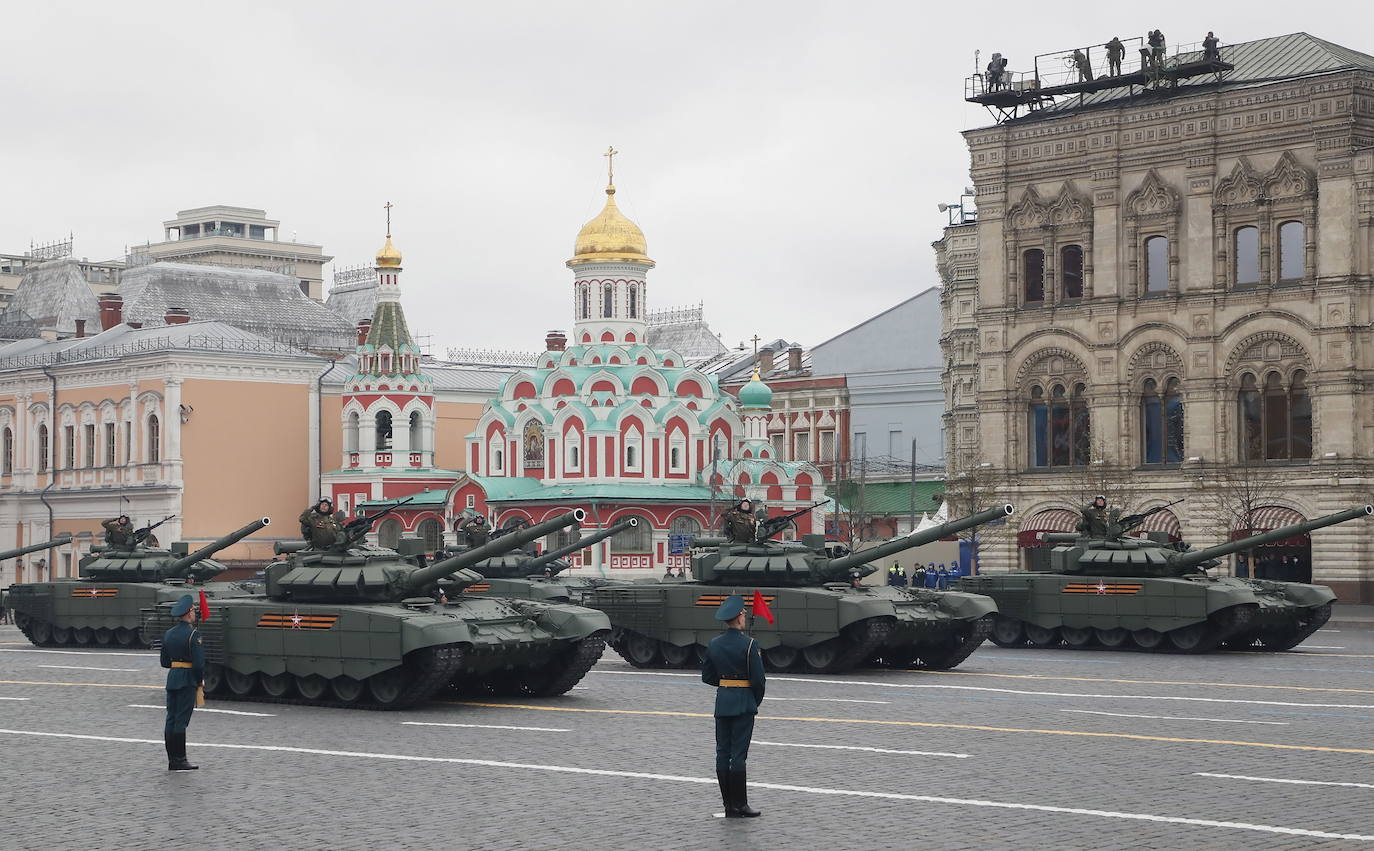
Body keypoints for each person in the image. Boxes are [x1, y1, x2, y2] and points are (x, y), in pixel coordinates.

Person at [701, 595, 765, 818]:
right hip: (743, 703)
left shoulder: (714, 643)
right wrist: (752, 700)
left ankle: (728, 806)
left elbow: (707, 676)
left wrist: (727, 685)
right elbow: (758, 681)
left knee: (722, 753)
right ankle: (741, 805)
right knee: (738, 755)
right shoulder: (750, 644)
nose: (745, 616)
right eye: (744, 613)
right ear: (739, 617)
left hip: (723, 702)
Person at [160, 594, 204, 771]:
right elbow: (199, 663)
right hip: (187, 680)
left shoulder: (169, 633)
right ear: (189, 613)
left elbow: (164, 662)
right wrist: (199, 680)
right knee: (181, 720)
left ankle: (172, 759)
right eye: (193, 611)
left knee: (171, 718)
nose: (195, 614)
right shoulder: (194, 634)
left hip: (173, 678)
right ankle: (180, 759)